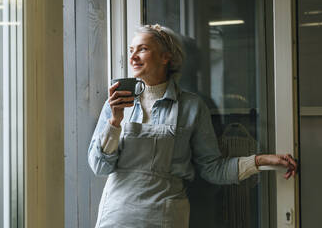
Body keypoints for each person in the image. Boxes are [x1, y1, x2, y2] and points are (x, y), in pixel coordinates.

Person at [88, 24, 297, 228]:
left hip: (165, 216)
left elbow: (213, 169)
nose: (132, 57)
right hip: (117, 215)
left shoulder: (191, 106)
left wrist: (261, 160)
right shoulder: (116, 104)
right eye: (131, 50)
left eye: (142, 49)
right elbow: (100, 166)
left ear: (165, 57)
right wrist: (115, 121)